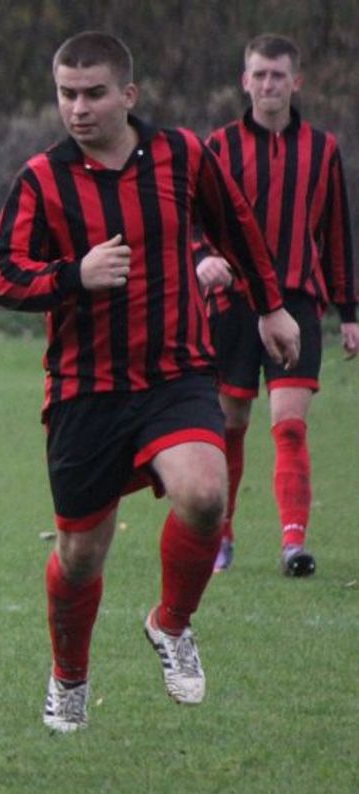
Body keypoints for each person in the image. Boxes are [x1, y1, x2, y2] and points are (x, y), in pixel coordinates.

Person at [0, 31, 300, 733]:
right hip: (84, 390)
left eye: (94, 93)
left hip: (175, 373)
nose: (79, 108)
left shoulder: (182, 155)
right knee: (80, 554)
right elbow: (3, 275)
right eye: (67, 94)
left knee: (204, 494)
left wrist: (272, 305)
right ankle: (69, 677)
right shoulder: (42, 178)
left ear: (129, 95)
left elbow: (238, 227)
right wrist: (74, 276)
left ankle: (171, 623)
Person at [193, 34, 358, 576]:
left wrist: (349, 312)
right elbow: (190, 217)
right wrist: (201, 257)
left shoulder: (323, 149)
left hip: (297, 302)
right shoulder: (217, 147)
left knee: (289, 426)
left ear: (296, 82)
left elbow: (336, 234)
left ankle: (293, 544)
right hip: (234, 304)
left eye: (278, 75)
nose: (268, 84)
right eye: (259, 74)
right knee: (229, 424)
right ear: (245, 81)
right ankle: (221, 535)